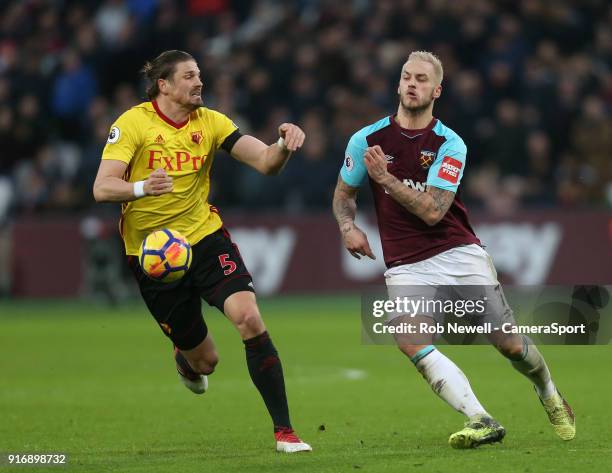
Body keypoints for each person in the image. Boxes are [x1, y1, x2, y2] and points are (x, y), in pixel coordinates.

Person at [332, 51, 575, 449]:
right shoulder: (366, 140)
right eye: (407, 77)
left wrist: (386, 179)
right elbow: (344, 193)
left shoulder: (449, 144)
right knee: (407, 337)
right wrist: (347, 225)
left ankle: (547, 389)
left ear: (437, 90)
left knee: (509, 344)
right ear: (398, 84)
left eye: (422, 79)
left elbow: (432, 211)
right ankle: (480, 417)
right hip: (405, 264)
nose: (412, 84)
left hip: (456, 253)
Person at [93, 50, 311, 453]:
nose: (199, 83)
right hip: (152, 254)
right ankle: (185, 356)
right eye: (190, 76)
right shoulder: (133, 123)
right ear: (165, 84)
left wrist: (282, 143)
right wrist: (142, 187)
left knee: (248, 318)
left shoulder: (211, 122)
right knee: (205, 362)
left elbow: (265, 162)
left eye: (200, 76)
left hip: (204, 238)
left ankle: (285, 432)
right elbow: (102, 187)